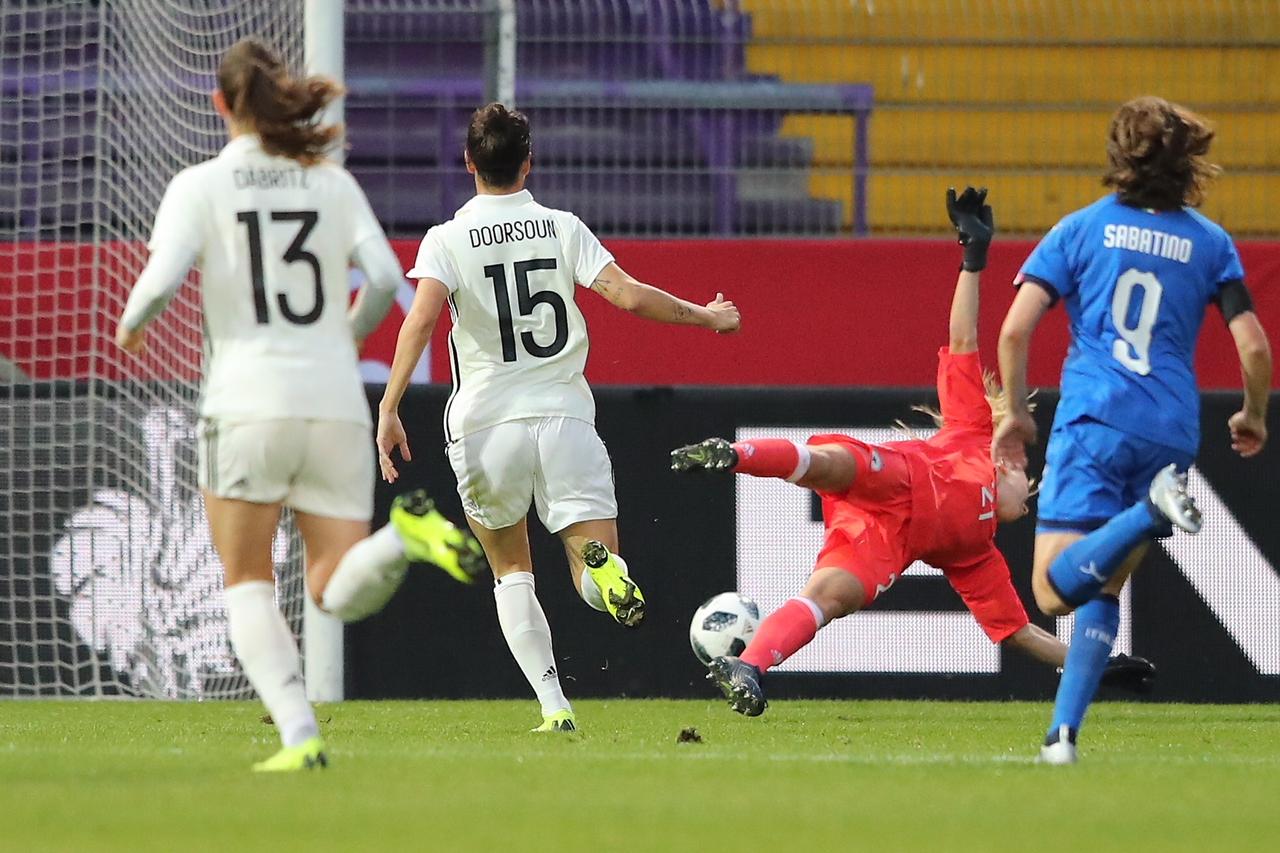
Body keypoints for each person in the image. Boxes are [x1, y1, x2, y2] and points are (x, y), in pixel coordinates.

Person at [115, 38, 484, 772]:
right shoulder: (330, 182)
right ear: (281, 98)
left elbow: (159, 282)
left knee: (248, 581)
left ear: (221, 105)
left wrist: (130, 325)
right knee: (333, 587)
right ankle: (403, 538)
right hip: (333, 403)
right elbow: (383, 276)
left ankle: (298, 734)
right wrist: (342, 336)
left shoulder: (200, 185)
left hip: (246, 403)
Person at [672, 188, 1155, 717]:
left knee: (831, 596)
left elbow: (1017, 633)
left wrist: (1093, 663)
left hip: (885, 539)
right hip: (894, 477)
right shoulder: (974, 430)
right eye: (1029, 483)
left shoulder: (977, 555)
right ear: (1008, 463)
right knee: (836, 463)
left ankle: (751, 667)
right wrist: (973, 260)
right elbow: (964, 337)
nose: (1028, 493)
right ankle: (736, 454)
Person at [377, 102, 741, 732]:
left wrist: (389, 404)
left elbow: (422, 319)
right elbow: (628, 296)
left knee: (512, 569)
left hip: (486, 423)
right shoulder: (562, 228)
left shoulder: (446, 239)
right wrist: (706, 316)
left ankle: (554, 707)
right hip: (566, 416)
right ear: (529, 162)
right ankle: (607, 573)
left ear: (469, 164)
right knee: (589, 561)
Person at [995, 96, 1272, 764]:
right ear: (1188, 166)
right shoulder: (1211, 243)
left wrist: (1016, 409)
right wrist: (1253, 413)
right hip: (1171, 431)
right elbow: (1256, 348)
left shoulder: (1082, 229)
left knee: (1051, 589)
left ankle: (1148, 513)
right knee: (1106, 584)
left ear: (1120, 156)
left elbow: (1013, 328)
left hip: (1095, 419)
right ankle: (1062, 735)